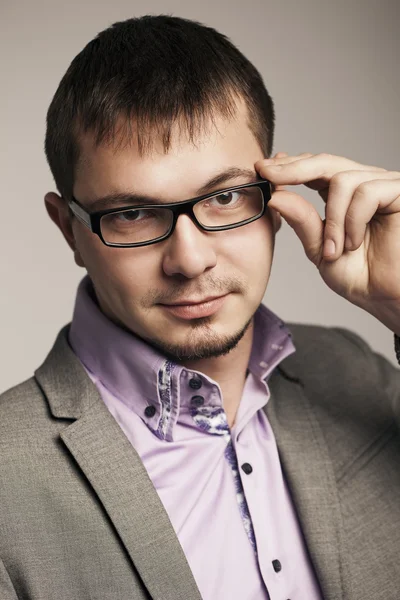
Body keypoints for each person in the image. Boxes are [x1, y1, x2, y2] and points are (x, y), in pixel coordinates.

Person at [1, 14, 399, 600]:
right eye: (132, 213)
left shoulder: (350, 367)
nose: (189, 260)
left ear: (276, 195)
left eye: (225, 196)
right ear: (70, 230)